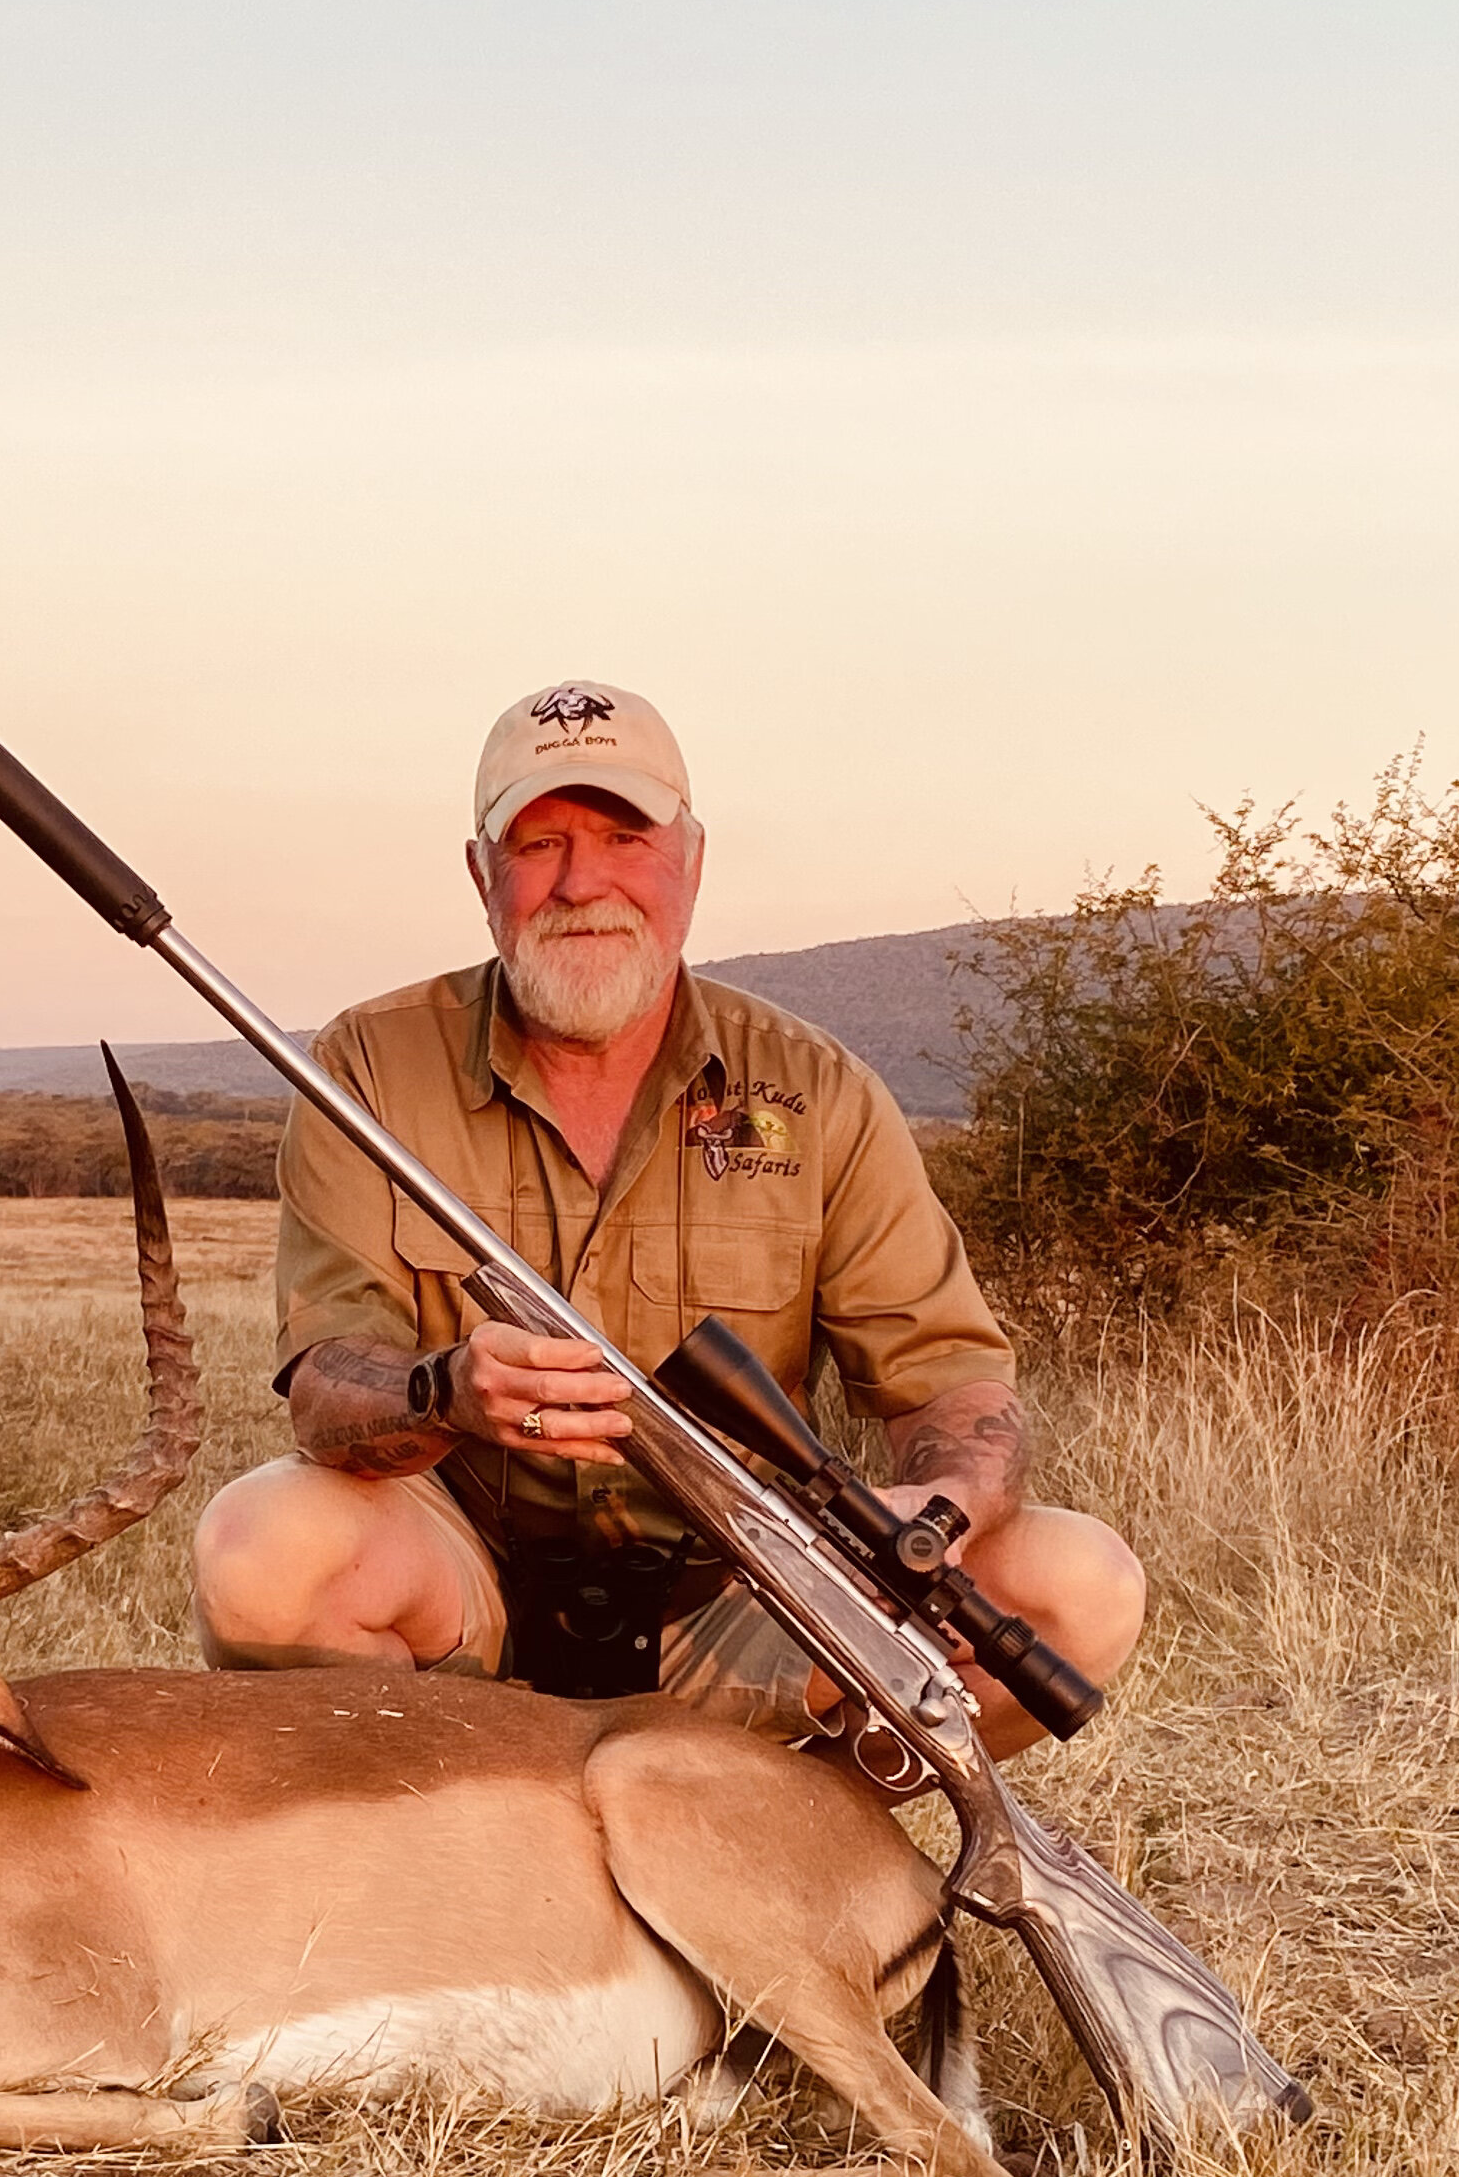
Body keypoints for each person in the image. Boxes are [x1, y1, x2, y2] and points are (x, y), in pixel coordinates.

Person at [191, 682, 1145, 1761]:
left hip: (746, 1596)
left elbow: (953, 1387)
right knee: (259, 1554)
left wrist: (934, 1512)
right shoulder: (368, 1063)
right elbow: (324, 1392)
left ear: (690, 860)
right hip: (465, 1602)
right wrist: (450, 1389)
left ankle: (805, 1852)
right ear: (482, 875)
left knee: (1080, 1587)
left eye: (623, 835)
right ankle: (453, 1837)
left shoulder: (817, 1089)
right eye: (538, 842)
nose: (582, 881)